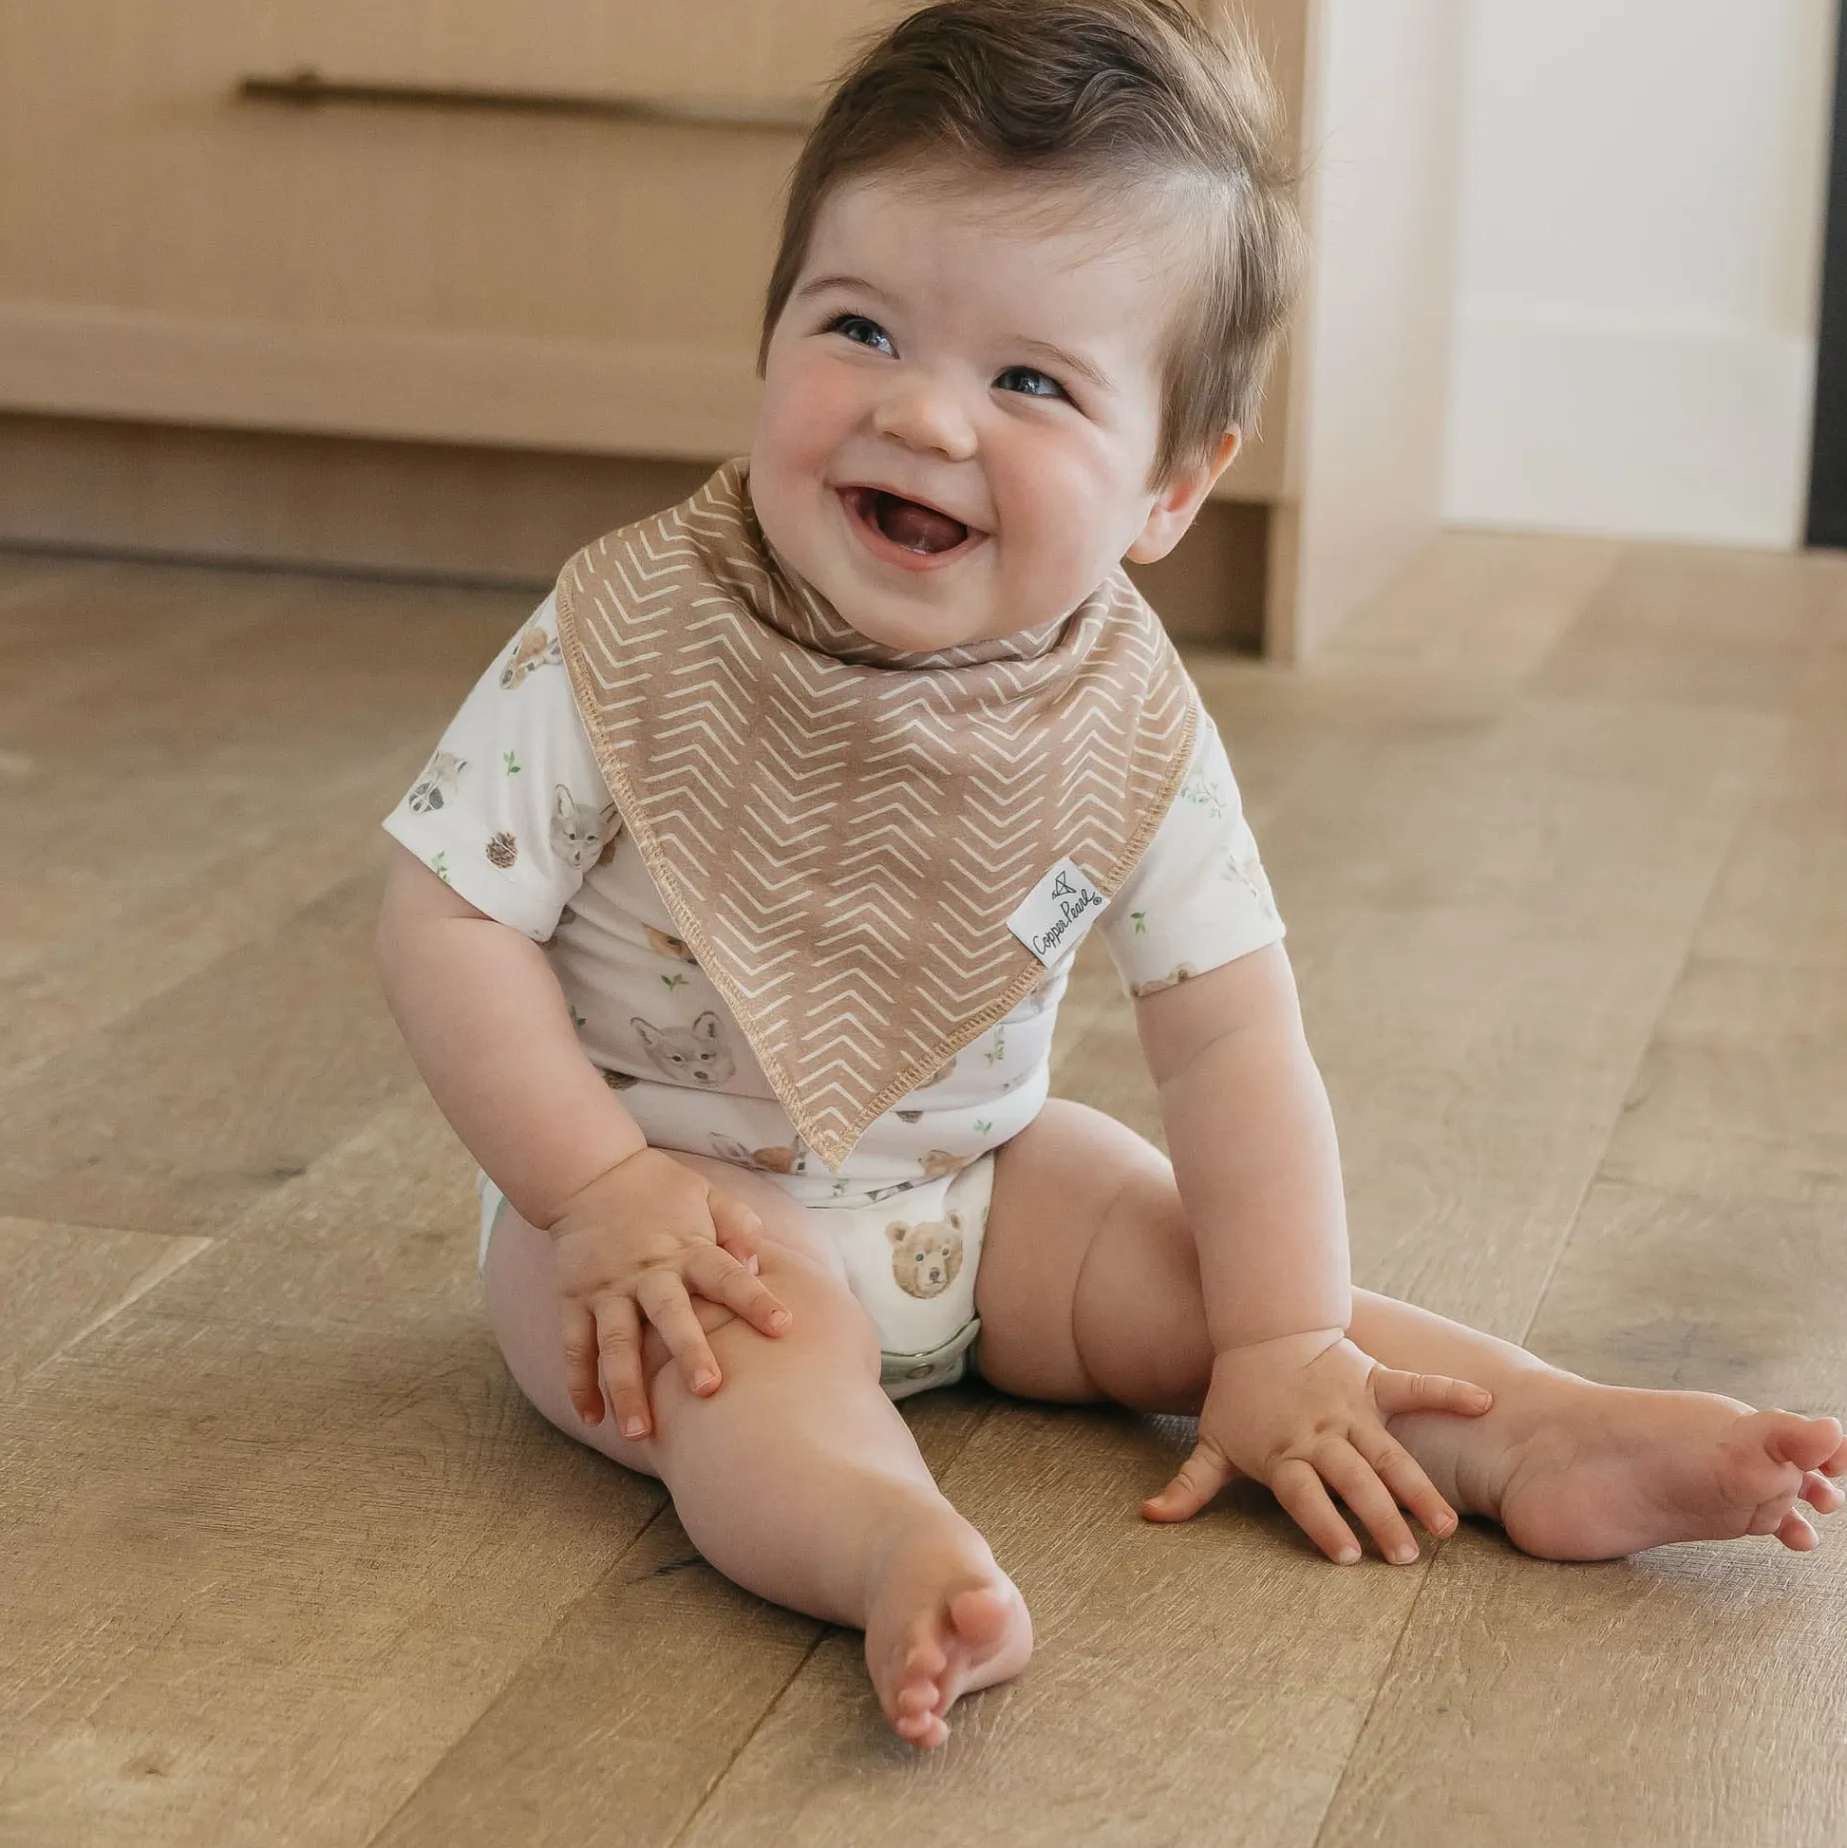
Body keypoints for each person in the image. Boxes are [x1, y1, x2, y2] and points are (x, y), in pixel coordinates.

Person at [375, 0, 1845, 1752]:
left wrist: (1276, 1333)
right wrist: (594, 1184)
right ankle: (885, 1540)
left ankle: (1525, 1425)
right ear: (770, 334)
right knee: (742, 1369)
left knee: (1201, 1259)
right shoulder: (628, 638)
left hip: (983, 1195)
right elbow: (447, 924)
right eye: (858, 327)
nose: (922, 411)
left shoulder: (1122, 721)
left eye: (1030, 381)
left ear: (1170, 487)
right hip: (655, 1214)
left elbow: (1230, 1040)